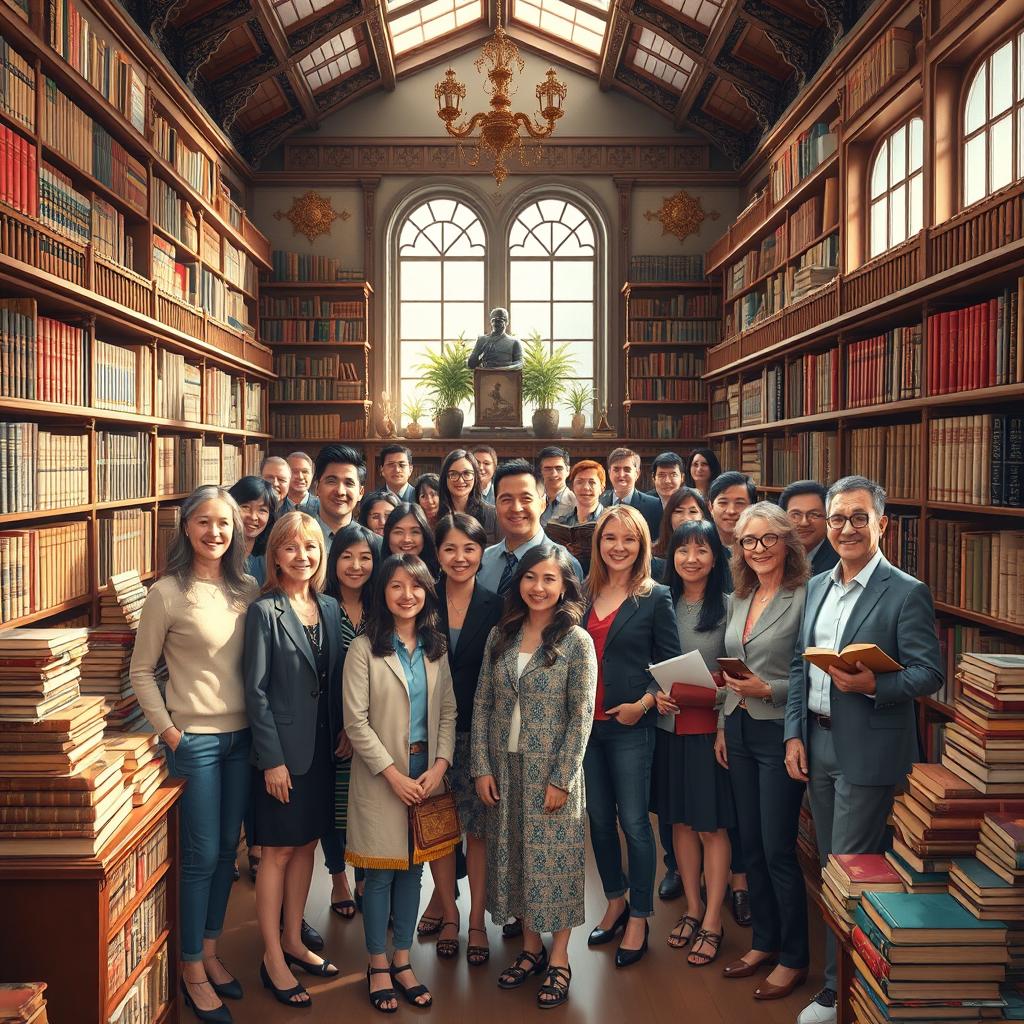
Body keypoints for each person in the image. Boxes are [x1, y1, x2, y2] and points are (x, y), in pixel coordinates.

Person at [786, 476, 944, 1024]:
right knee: (832, 865)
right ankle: (853, 983)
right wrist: (793, 734)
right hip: (819, 742)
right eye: (837, 519)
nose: (846, 528)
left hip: (869, 751)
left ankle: (836, 992)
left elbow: (930, 674)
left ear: (882, 524)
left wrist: (875, 686)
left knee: (847, 871)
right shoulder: (817, 585)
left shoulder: (905, 591)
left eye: (858, 518)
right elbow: (796, 665)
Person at [130, 486, 259, 1023]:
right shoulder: (167, 592)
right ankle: (188, 965)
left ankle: (209, 949)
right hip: (197, 743)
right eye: (204, 522)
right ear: (186, 528)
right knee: (201, 857)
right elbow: (141, 671)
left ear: (236, 531)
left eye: (224, 524)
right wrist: (170, 732)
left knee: (228, 853)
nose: (214, 533)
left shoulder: (247, 588)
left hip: (244, 739)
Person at [472, 545, 597, 1008]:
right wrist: (481, 766)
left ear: (564, 585)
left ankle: (560, 957)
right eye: (530, 578)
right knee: (517, 859)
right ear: (518, 583)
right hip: (505, 768)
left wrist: (562, 778)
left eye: (549, 579)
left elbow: (581, 715)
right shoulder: (500, 635)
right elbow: (483, 703)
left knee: (557, 863)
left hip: (551, 773)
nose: (538, 587)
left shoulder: (576, 642)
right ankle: (530, 948)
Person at [343, 554, 457, 1013]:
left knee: (413, 871)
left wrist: (442, 765)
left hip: (427, 775)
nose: (406, 595)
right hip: (381, 778)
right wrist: (392, 774)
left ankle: (403, 960)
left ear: (427, 591)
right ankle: (377, 964)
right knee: (380, 873)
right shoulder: (363, 649)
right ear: (382, 593)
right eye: (396, 586)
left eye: (415, 586)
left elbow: (447, 711)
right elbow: (355, 722)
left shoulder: (436, 648)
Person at [244, 513, 342, 1009]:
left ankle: (292, 938)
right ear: (274, 555)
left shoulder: (327, 607)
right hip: (283, 756)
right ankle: (272, 958)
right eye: (290, 548)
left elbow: (334, 679)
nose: (302, 556)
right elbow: (256, 693)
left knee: (306, 847)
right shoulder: (265, 612)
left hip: (322, 752)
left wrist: (343, 729)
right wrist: (272, 760)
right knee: (278, 853)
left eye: (311, 546)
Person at [583, 504, 681, 968]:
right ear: (598, 544)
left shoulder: (655, 596)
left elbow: (670, 669)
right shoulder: (582, 593)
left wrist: (641, 705)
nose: (618, 547)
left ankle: (641, 916)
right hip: (586, 729)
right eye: (609, 538)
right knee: (598, 822)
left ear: (642, 545)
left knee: (635, 824)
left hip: (629, 728)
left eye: (628, 539)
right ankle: (616, 899)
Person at [718, 502, 810, 1001]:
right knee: (748, 844)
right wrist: (720, 723)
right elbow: (730, 669)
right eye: (748, 541)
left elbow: (805, 671)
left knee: (777, 849)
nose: (757, 549)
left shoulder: (805, 596)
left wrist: (768, 691)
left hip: (779, 734)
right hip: (737, 727)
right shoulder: (741, 597)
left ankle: (795, 956)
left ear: (787, 543)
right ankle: (764, 941)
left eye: (767, 539)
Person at [416, 514, 502, 963]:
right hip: (428, 733)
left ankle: (476, 922)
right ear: (437, 553)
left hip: (480, 731)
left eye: (469, 549)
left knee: (480, 830)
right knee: (441, 829)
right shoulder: (421, 599)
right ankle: (449, 913)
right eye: (449, 549)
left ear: (481, 552)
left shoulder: (496, 604)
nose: (460, 558)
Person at [652, 520, 735, 966]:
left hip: (708, 731)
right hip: (667, 727)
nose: (691, 559)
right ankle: (693, 907)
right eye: (682, 551)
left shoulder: (729, 605)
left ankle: (715, 919)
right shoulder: (661, 601)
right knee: (680, 822)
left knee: (711, 825)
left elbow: (739, 675)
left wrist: (718, 713)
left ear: (716, 556)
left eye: (701, 550)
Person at [322, 523, 381, 920]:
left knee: (364, 804)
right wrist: (342, 725)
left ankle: (364, 873)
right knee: (332, 804)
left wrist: (360, 726)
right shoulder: (321, 605)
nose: (356, 566)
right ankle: (338, 876)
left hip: (373, 726)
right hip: (328, 725)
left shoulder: (383, 607)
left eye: (365, 557)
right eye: (347, 556)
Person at [478, 460, 583, 596]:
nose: (516, 508)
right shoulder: (483, 561)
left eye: (526, 499)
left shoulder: (566, 565)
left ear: (543, 503)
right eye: (506, 499)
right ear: (496, 506)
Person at [549, 460, 606, 576]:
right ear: (572, 487)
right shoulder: (562, 522)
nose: (586, 487)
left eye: (592, 482)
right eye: (580, 482)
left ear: (602, 488)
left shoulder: (610, 520)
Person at [779, 480, 840, 577]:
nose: (804, 523)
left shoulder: (840, 560)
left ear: (828, 518)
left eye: (814, 515)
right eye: (795, 515)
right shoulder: (776, 552)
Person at [438, 449, 498, 543]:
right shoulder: (434, 515)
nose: (461, 480)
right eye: (453, 474)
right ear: (445, 478)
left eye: (467, 474)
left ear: (475, 477)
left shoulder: (492, 515)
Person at [312, 445, 366, 548]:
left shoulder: (374, 545)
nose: (340, 491)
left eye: (349, 483)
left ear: (361, 492)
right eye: (331, 481)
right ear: (317, 488)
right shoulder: (297, 539)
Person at [228, 476, 278, 587]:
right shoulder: (217, 552)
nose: (253, 517)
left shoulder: (271, 560)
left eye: (262, 510)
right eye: (245, 507)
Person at [602, 447, 662, 538]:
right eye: (616, 469)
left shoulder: (654, 505)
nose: (621, 475)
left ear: (637, 474)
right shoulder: (600, 502)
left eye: (627, 469)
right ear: (610, 472)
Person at [383, 502, 440, 578]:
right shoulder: (376, 577)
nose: (406, 539)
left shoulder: (441, 578)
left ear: (425, 535)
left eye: (415, 532)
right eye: (399, 532)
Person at [652, 487, 710, 561]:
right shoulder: (653, 555)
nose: (686, 518)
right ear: (669, 516)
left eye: (693, 512)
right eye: (679, 511)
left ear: (703, 516)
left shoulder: (712, 551)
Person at [709, 471, 756, 548]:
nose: (731, 511)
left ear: (752, 507)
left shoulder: (759, 548)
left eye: (739, 503)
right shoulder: (701, 545)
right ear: (710, 507)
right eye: (723, 502)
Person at [537, 446, 576, 525]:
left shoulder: (576, 504)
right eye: (548, 469)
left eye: (559, 468)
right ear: (541, 471)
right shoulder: (534, 499)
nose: (554, 474)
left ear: (568, 470)